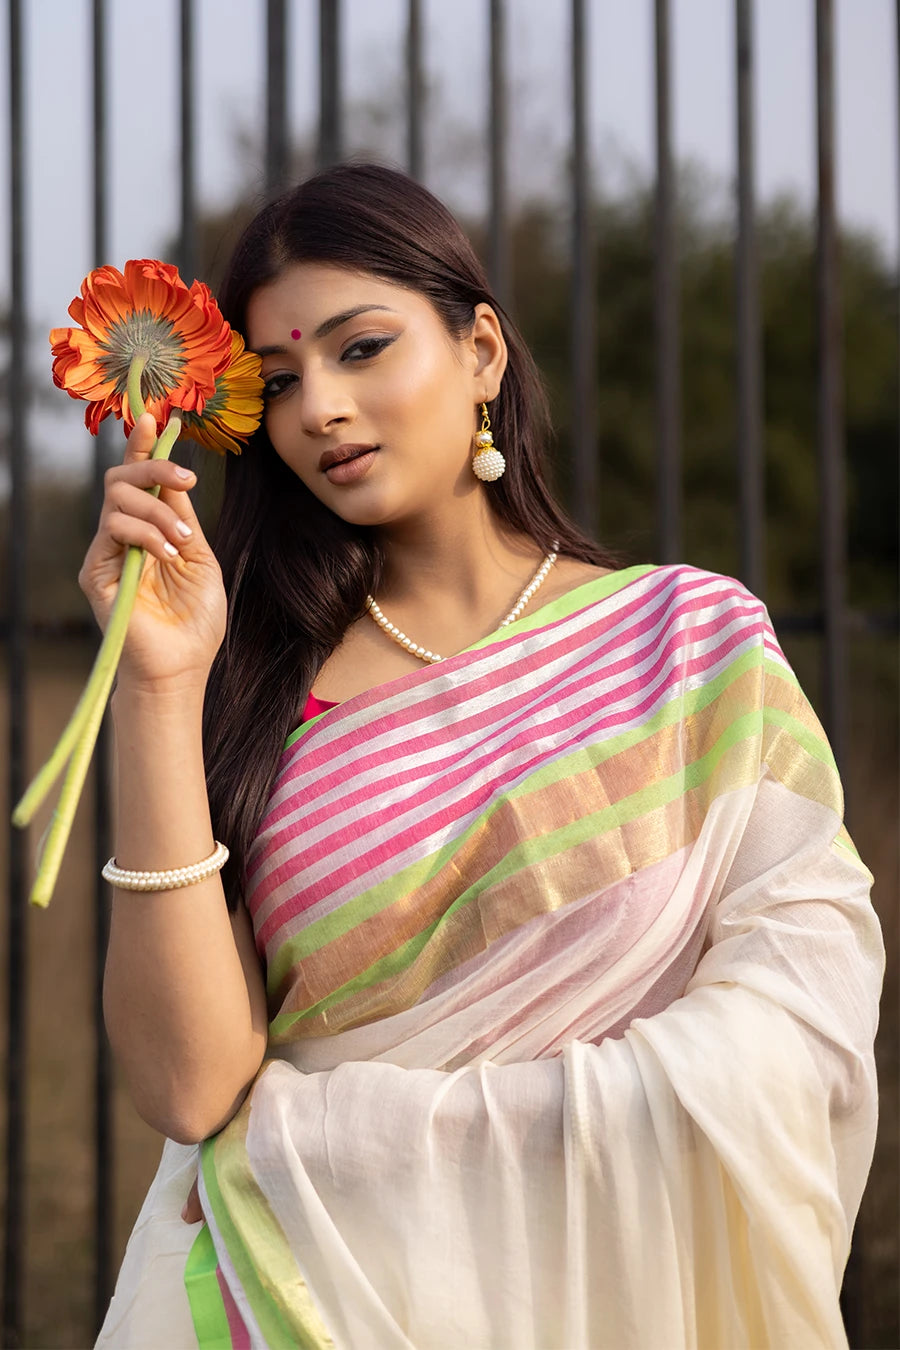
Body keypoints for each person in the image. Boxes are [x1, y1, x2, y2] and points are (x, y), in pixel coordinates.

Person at [91, 163, 882, 1350]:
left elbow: (809, 996)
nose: (319, 410)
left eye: (363, 349)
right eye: (284, 379)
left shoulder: (686, 638)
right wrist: (156, 686)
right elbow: (190, 1089)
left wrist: (486, 1131)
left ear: (483, 353)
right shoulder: (251, 696)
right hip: (331, 1305)